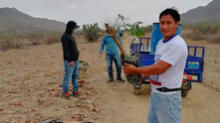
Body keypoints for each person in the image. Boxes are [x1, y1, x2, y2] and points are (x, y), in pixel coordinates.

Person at [123, 8, 187, 123]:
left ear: (177, 24)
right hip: (156, 93)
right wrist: (144, 74)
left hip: (169, 96)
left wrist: (136, 70)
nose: (164, 27)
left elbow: (160, 68)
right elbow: (156, 65)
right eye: (162, 23)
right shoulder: (161, 42)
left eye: (169, 23)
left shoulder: (177, 44)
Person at [61, 21, 80, 98]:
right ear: (70, 27)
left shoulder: (71, 36)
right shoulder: (65, 36)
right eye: (74, 28)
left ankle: (75, 90)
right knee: (67, 76)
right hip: (70, 61)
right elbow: (66, 50)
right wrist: (69, 60)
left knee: (75, 76)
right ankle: (65, 92)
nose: (74, 29)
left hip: (75, 60)